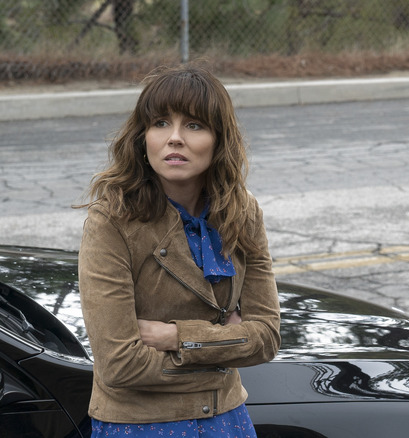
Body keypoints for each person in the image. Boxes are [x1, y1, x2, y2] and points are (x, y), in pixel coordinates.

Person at [77, 64, 281, 437]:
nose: (174, 138)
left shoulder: (242, 211)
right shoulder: (112, 219)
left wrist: (176, 337)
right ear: (142, 137)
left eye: (194, 125)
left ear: (219, 139)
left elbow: (266, 337)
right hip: (139, 425)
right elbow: (118, 364)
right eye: (160, 123)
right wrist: (224, 351)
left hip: (227, 420)